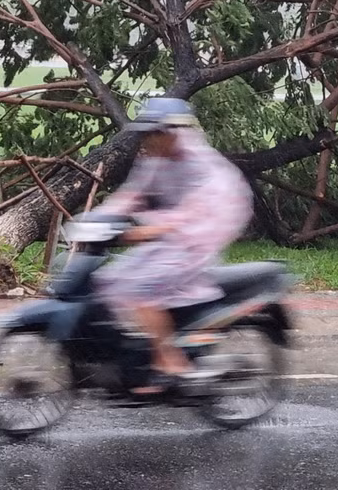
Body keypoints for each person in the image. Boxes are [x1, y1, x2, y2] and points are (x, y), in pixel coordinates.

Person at [92, 97, 254, 396]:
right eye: (146, 133)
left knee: (144, 289)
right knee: (110, 279)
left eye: (154, 133)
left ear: (172, 132)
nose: (148, 139)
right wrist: (98, 219)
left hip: (203, 233)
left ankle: (170, 359)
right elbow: (132, 195)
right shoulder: (154, 159)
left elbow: (196, 212)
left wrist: (153, 230)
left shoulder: (203, 166)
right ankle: (133, 352)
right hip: (171, 234)